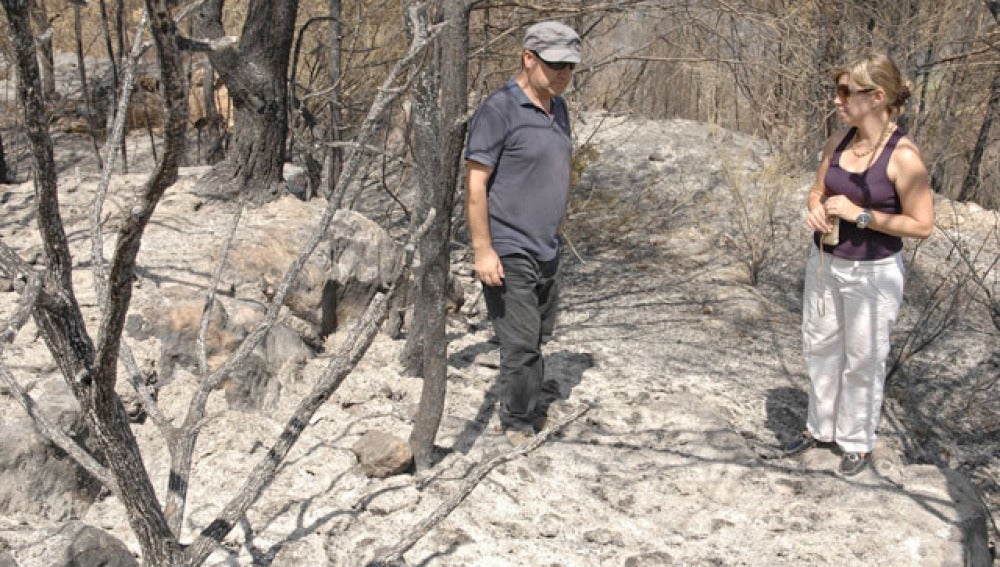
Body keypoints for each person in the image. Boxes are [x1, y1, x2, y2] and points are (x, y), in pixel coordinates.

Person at [785, 52, 934, 475]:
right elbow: (817, 191)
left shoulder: (903, 155)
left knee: (864, 358)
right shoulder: (840, 142)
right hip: (824, 262)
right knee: (820, 348)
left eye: (846, 92)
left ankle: (856, 442)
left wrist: (862, 216)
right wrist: (814, 209)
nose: (838, 101)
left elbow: (923, 225)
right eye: (838, 91)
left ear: (878, 97)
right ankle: (820, 429)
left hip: (873, 274)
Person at [464, 21, 580, 445]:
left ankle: (526, 399)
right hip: (508, 245)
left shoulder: (559, 108)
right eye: (555, 65)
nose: (563, 73)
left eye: (569, 66)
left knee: (539, 333)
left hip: (547, 243)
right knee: (521, 342)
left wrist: (560, 215)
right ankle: (517, 421)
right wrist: (482, 249)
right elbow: (476, 183)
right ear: (528, 59)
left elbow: (556, 166)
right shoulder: (498, 110)